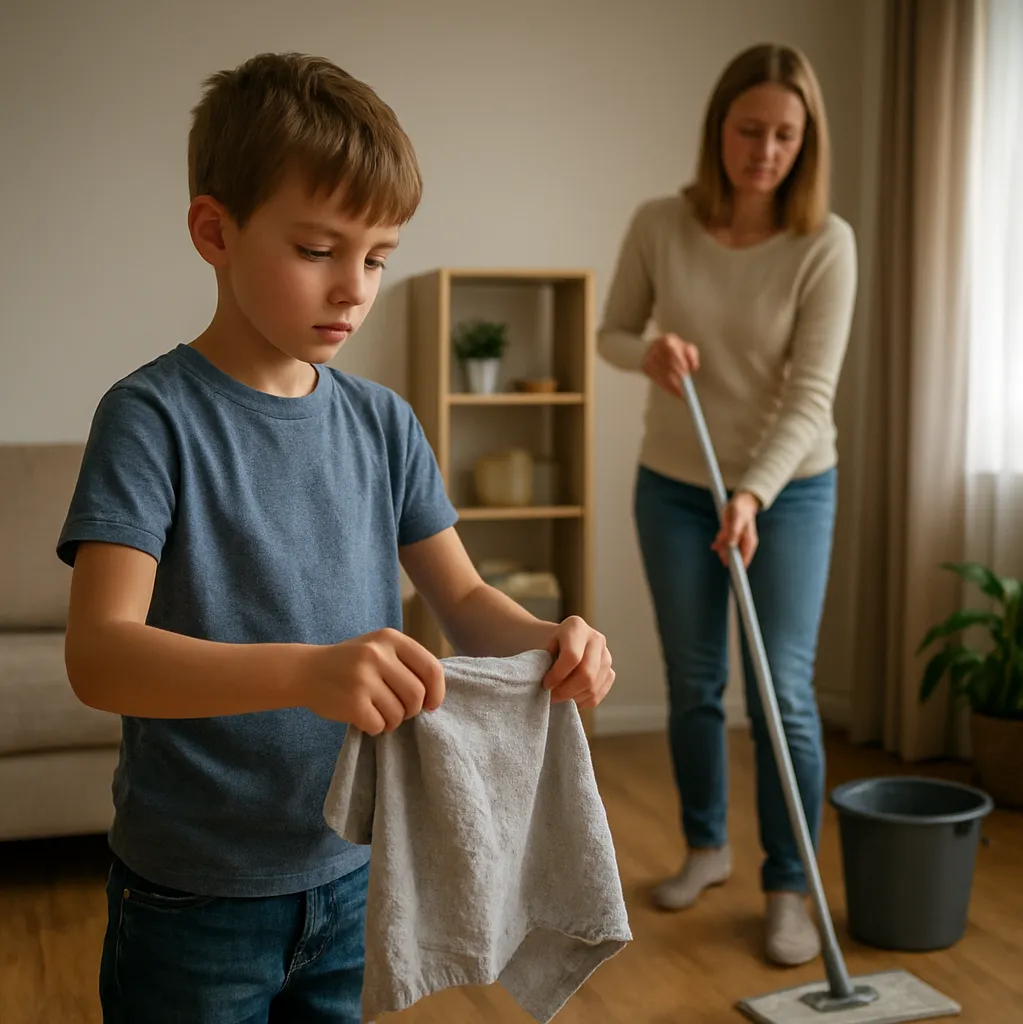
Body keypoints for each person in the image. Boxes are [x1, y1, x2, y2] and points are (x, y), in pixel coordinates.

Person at [58, 52, 615, 1024]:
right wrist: (307, 672)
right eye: (318, 249)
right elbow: (100, 656)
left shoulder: (385, 423)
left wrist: (551, 640)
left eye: (378, 256)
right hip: (193, 896)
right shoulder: (150, 419)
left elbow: (467, 603)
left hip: (356, 869)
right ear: (214, 231)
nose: (355, 288)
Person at [597, 43, 857, 967]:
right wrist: (651, 353)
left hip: (789, 491)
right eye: (751, 129)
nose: (766, 150)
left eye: (787, 134)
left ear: (806, 140)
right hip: (673, 484)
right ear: (719, 128)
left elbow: (810, 394)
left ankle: (789, 885)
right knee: (696, 681)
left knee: (783, 693)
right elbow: (612, 332)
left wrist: (753, 493)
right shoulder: (661, 223)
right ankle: (707, 848)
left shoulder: (825, 243)